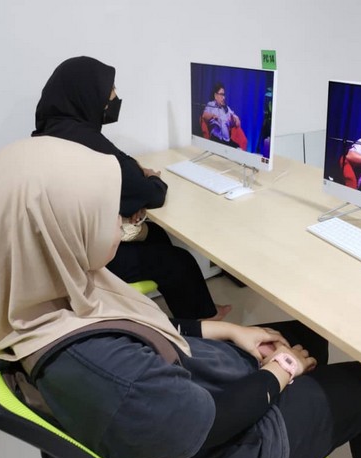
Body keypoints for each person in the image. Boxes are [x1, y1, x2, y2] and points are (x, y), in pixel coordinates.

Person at [0, 135, 361, 458]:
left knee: (305, 338)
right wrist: (282, 371)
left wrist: (230, 331)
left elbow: (138, 327)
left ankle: (311, 398)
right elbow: (208, 427)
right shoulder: (95, 364)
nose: (123, 223)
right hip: (222, 453)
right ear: (56, 231)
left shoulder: (45, 295)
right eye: (106, 214)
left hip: (185, 389)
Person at [31, 56, 230, 321]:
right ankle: (205, 322)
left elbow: (123, 168)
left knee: (156, 235)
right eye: (110, 90)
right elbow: (153, 195)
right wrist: (151, 179)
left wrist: (131, 192)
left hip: (62, 244)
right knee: (179, 261)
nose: (115, 97)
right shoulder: (87, 144)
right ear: (88, 95)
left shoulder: (56, 129)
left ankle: (193, 310)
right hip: (81, 261)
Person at [201, 82, 242, 147]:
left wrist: (236, 119)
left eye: (224, 95)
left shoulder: (226, 108)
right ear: (215, 95)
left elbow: (237, 122)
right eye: (221, 94)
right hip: (215, 137)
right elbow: (204, 115)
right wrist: (212, 115)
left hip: (226, 139)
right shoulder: (211, 105)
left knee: (238, 148)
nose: (224, 97)